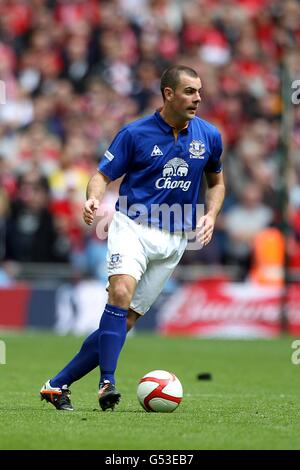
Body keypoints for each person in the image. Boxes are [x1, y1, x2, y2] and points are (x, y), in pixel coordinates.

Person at [40, 65, 225, 411]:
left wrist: (211, 214)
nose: (197, 98)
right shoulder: (134, 133)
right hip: (132, 227)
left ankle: (56, 384)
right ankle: (106, 383)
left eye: (199, 91)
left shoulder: (209, 136)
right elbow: (101, 175)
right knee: (120, 292)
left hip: (175, 240)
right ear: (168, 94)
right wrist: (93, 197)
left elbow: (217, 182)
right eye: (189, 91)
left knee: (123, 321)